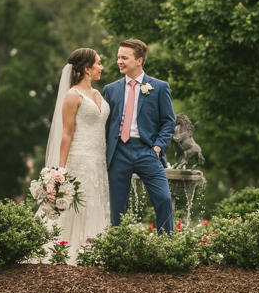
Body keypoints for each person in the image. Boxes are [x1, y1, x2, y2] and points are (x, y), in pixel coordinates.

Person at [42, 48, 111, 263]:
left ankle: (95, 248)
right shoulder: (73, 95)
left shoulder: (98, 94)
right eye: (99, 63)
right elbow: (67, 133)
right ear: (86, 69)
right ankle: (67, 252)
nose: (102, 67)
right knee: (79, 205)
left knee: (96, 203)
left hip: (99, 159)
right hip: (79, 158)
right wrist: (60, 170)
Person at [103, 39, 176, 233]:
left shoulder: (159, 87)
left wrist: (158, 148)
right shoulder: (110, 90)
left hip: (147, 151)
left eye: (124, 58)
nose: (119, 61)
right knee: (118, 206)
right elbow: (105, 124)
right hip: (118, 152)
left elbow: (169, 122)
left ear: (139, 60)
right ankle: (119, 250)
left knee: (164, 199)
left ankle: (166, 248)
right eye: (118, 57)